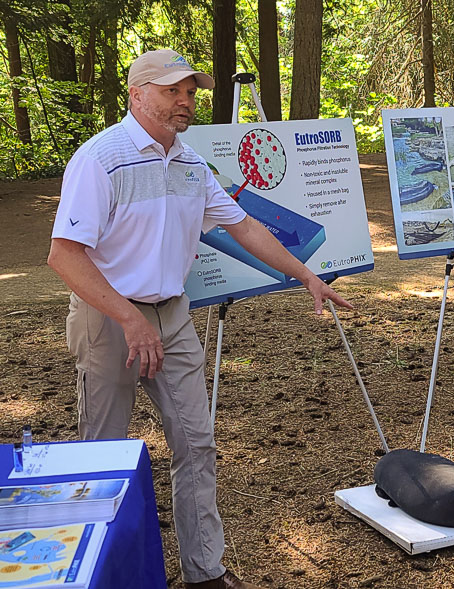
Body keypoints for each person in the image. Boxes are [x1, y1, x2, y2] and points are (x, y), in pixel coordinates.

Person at [47, 49, 352, 589]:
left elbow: (246, 227)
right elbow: (65, 255)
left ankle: (205, 572)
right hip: (108, 320)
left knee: (196, 442)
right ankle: (96, 573)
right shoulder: (100, 159)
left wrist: (306, 276)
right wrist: (128, 319)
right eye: (172, 91)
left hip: (173, 316)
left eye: (190, 92)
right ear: (137, 93)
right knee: (103, 452)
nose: (185, 101)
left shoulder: (190, 163)